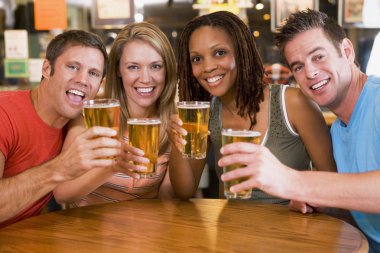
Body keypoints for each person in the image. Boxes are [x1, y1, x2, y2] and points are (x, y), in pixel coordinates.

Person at [218, 9, 380, 252]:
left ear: (346, 52)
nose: (311, 73)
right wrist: (321, 202)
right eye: (298, 67)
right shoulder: (338, 128)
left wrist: (294, 182)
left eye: (318, 57)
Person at [167, 11, 336, 204]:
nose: (207, 67)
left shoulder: (293, 102)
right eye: (197, 59)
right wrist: (177, 143)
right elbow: (184, 190)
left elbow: (332, 181)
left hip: (290, 231)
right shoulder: (208, 113)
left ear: (241, 52)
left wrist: (307, 198)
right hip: (232, 230)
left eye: (219, 53)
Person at [0, 30, 120, 228]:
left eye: (93, 73)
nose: (83, 80)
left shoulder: (79, 124)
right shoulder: (5, 113)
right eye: (73, 67)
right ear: (46, 69)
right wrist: (61, 167)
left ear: (99, 86)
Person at [53, 22, 177, 206]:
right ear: (118, 69)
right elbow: (62, 194)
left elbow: (167, 199)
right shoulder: (95, 116)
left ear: (167, 70)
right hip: (90, 230)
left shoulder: (172, 123)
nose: (145, 78)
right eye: (133, 67)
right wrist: (112, 167)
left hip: (146, 229)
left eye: (156, 66)